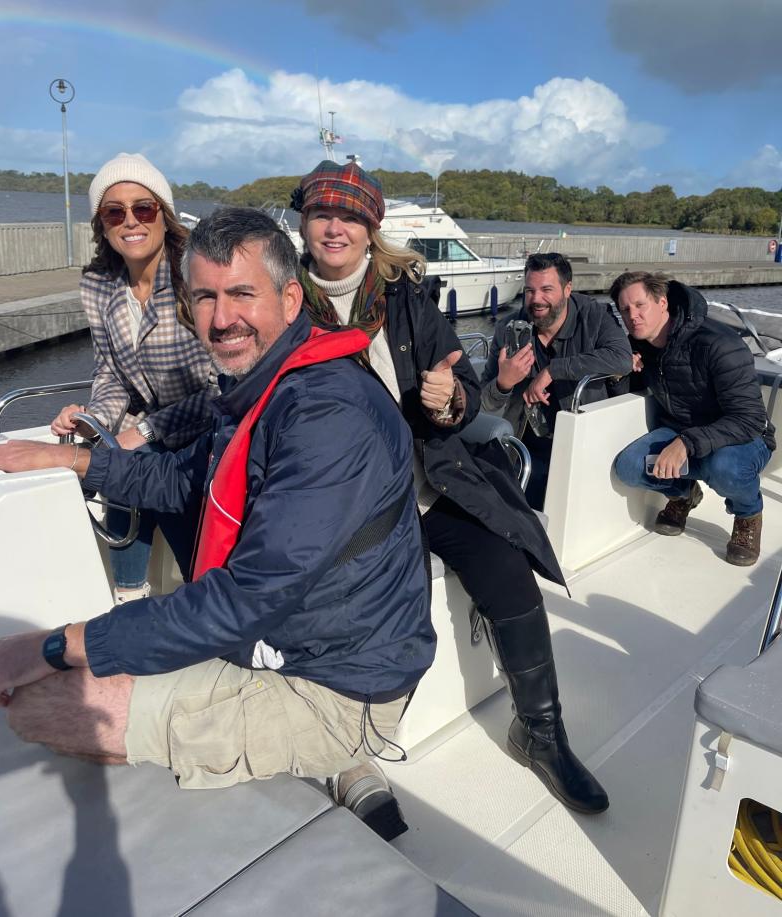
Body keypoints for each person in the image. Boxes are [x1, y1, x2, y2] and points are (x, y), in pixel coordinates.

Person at [0, 209, 434, 842]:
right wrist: (70, 459)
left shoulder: (324, 414)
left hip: (337, 682)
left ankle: (340, 752)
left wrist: (53, 645)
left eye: (242, 294)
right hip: (293, 640)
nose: (223, 320)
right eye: (205, 298)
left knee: (44, 705)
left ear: (291, 296)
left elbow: (244, 598)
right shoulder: (264, 386)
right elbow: (172, 478)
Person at [292, 160, 609, 814]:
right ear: (303, 221)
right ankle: (349, 751)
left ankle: (542, 731)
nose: (334, 227)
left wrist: (450, 402)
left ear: (370, 227)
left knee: (505, 561)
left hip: (427, 483)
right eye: (322, 212)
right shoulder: (282, 303)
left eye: (350, 215)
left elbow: (462, 388)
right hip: (342, 506)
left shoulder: (405, 299)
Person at [51, 153, 217, 601]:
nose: (131, 221)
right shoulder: (99, 285)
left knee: (140, 462)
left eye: (143, 208)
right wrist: (94, 421)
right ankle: (128, 597)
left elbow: (225, 388)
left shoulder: (194, 277)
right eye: (114, 212)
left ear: (164, 216)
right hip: (144, 436)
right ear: (102, 225)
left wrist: (143, 431)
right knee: (118, 460)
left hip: (206, 431)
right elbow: (109, 371)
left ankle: (202, 595)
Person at [611, 271, 775, 566]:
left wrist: (686, 442)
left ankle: (748, 513)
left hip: (744, 437)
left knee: (723, 466)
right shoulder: (640, 346)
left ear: (662, 303)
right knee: (628, 467)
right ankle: (684, 493)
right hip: (680, 430)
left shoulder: (717, 343)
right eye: (625, 309)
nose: (632, 315)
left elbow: (750, 418)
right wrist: (623, 371)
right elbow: (631, 390)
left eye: (640, 305)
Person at [480, 252, 632, 509]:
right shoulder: (509, 329)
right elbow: (482, 402)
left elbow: (622, 358)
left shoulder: (594, 317)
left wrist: (552, 370)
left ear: (567, 289)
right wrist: (504, 384)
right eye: (529, 291)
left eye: (547, 289)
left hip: (581, 441)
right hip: (525, 442)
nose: (536, 299)